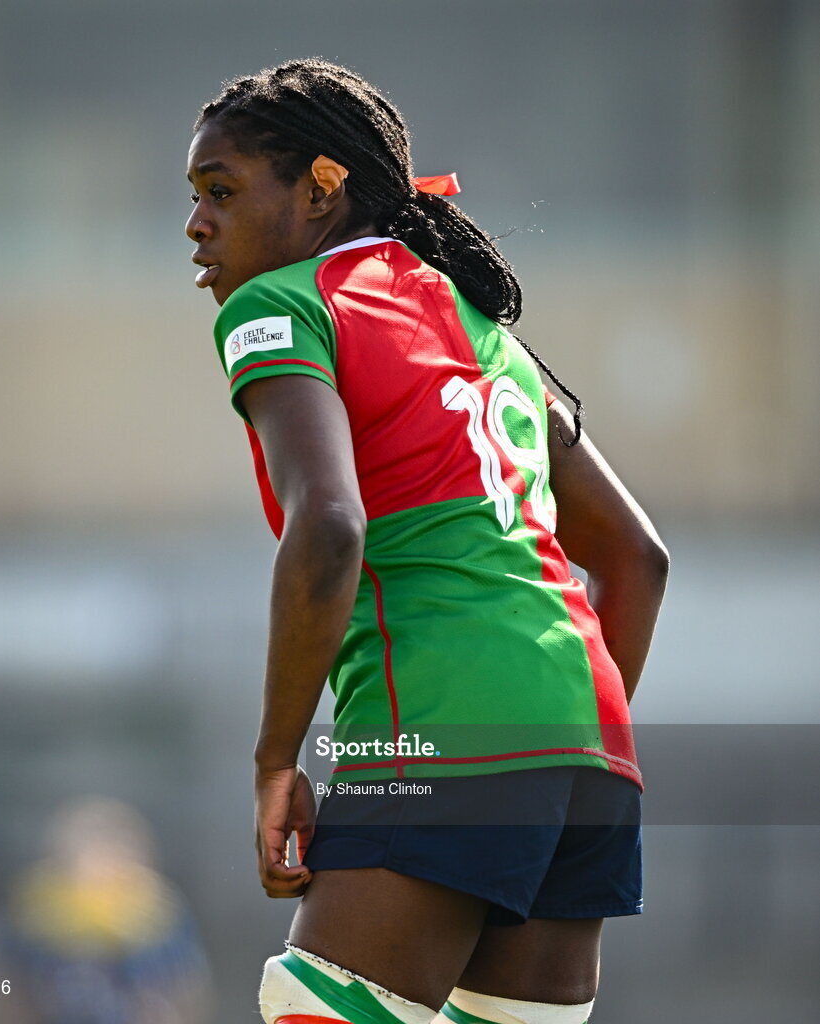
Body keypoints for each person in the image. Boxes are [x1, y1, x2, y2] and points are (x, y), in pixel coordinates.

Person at [185, 59, 668, 1024]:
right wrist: (539, 752)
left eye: (221, 191)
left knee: (315, 1006)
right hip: (587, 751)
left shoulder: (282, 305)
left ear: (322, 186)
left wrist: (276, 763)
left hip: (437, 730)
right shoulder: (481, 322)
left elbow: (328, 529)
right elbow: (636, 562)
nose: (197, 224)